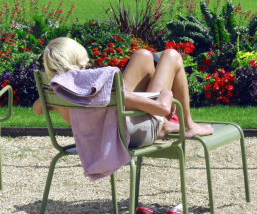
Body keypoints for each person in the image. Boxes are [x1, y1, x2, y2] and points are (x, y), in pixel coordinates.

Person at [33, 38, 214, 147]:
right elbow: (162, 108)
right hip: (128, 133)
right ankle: (186, 124)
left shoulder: (58, 93)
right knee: (172, 56)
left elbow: (37, 110)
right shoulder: (93, 90)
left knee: (143, 55)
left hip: (113, 128)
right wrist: (167, 94)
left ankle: (166, 126)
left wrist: (51, 91)